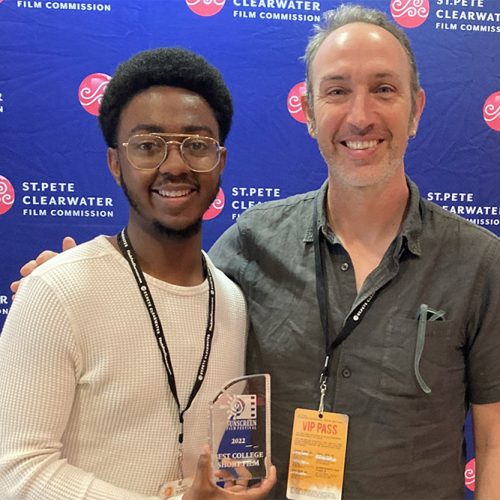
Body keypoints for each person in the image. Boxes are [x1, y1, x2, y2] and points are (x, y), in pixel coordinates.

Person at [10, 5, 500, 500]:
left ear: (415, 109)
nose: (360, 115)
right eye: (336, 91)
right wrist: (69, 280)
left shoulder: (479, 264)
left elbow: (494, 442)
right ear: (308, 112)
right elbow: (167, 294)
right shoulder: (252, 242)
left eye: (383, 89)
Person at [0, 47, 276, 499]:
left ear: (220, 161)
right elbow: (15, 473)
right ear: (115, 164)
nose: (174, 165)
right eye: (148, 146)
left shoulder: (231, 301)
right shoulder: (55, 291)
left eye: (196, 144)